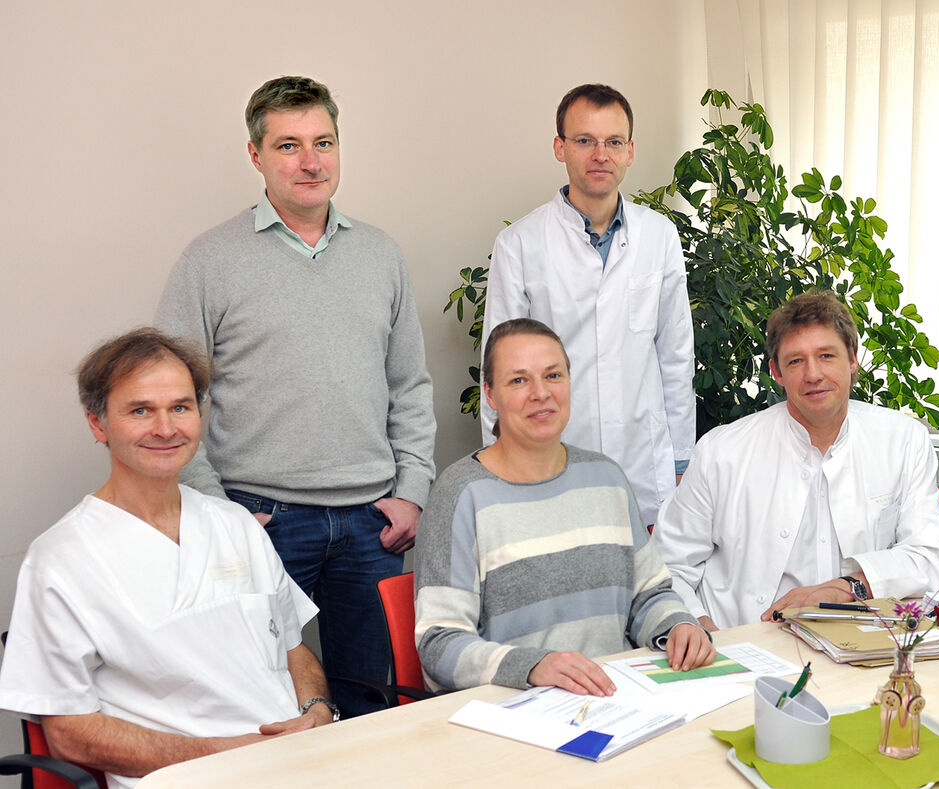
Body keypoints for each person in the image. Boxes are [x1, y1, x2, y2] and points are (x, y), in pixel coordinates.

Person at [155, 76, 435, 717]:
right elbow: (172, 397)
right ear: (255, 156)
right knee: (260, 704)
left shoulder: (380, 254)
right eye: (288, 145)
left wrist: (413, 490)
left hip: (372, 524)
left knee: (372, 704)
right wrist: (219, 514)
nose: (310, 162)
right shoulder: (209, 260)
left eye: (323, 142)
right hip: (260, 521)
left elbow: (410, 386)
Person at [0, 329, 335, 789]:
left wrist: (317, 710)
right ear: (98, 423)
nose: (166, 428)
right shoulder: (61, 560)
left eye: (180, 407)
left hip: (300, 766)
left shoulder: (235, 524)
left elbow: (294, 647)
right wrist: (224, 753)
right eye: (141, 410)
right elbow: (69, 734)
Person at [415, 318, 713, 693]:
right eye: (519, 380)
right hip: (514, 713)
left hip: (617, 699)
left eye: (553, 375)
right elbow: (439, 643)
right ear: (490, 394)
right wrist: (533, 666)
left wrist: (678, 625)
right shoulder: (461, 495)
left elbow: (648, 594)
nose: (540, 393)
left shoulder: (607, 478)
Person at [653, 292, 939, 630]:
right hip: (743, 641)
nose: (813, 374)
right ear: (776, 372)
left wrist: (849, 587)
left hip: (864, 644)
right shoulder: (720, 451)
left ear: (853, 360)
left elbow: (931, 555)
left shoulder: (902, 439)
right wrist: (703, 632)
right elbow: (668, 565)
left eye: (826, 356)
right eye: (796, 361)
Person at [481, 83, 694, 528]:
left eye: (613, 142)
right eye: (585, 141)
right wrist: (503, 474)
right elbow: (499, 373)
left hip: (644, 468)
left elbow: (675, 359)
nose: (601, 154)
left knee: (646, 591)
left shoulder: (659, 237)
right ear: (560, 148)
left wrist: (680, 466)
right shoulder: (519, 244)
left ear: (630, 151)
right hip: (549, 463)